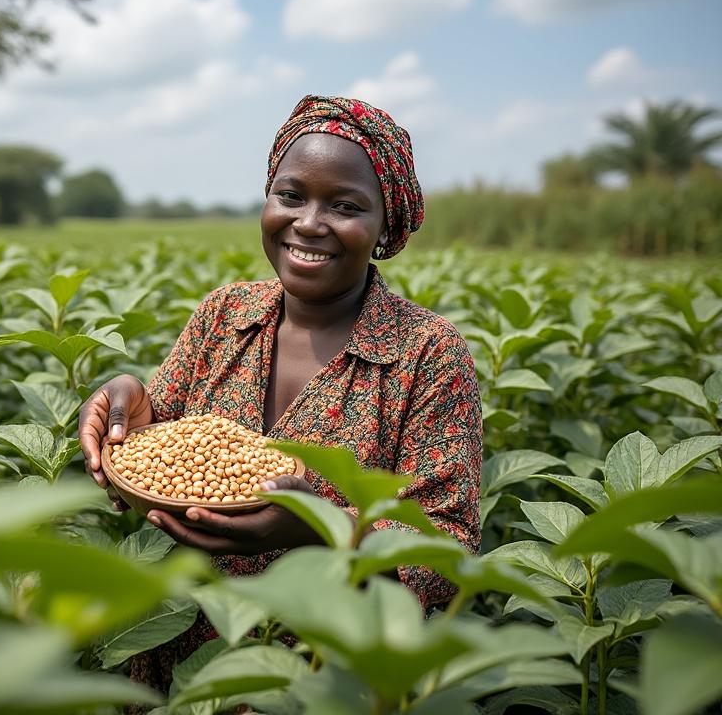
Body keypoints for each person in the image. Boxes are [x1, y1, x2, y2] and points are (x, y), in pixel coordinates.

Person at [78, 94, 482, 692]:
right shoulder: (224, 314)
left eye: (346, 206)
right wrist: (131, 409)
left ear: (383, 226)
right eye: (291, 195)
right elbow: (167, 447)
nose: (310, 222)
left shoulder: (425, 353)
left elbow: (449, 548)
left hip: (322, 674)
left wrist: (320, 528)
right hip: (182, 660)